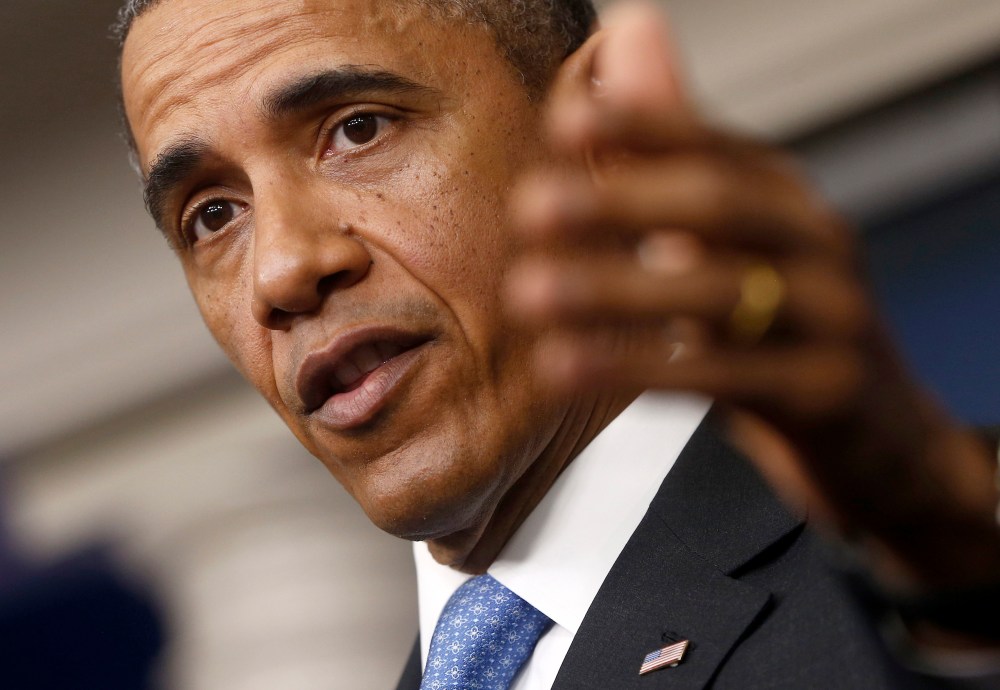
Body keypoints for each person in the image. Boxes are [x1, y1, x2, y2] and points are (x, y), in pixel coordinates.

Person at [114, 0, 1000, 687]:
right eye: (212, 216)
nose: (280, 270)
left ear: (598, 134)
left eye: (357, 128)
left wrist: (955, 572)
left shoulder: (907, 576)